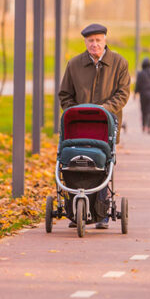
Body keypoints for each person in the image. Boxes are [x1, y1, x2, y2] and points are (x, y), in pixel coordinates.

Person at [59, 23, 130, 229]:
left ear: (105, 40)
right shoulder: (74, 65)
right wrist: (76, 112)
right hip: (79, 128)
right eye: (91, 41)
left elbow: (123, 93)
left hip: (106, 126)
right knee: (75, 163)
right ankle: (75, 210)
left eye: (98, 40)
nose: (95, 44)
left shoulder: (119, 63)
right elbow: (65, 94)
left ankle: (101, 211)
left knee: (103, 164)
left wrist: (103, 110)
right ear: (85, 42)